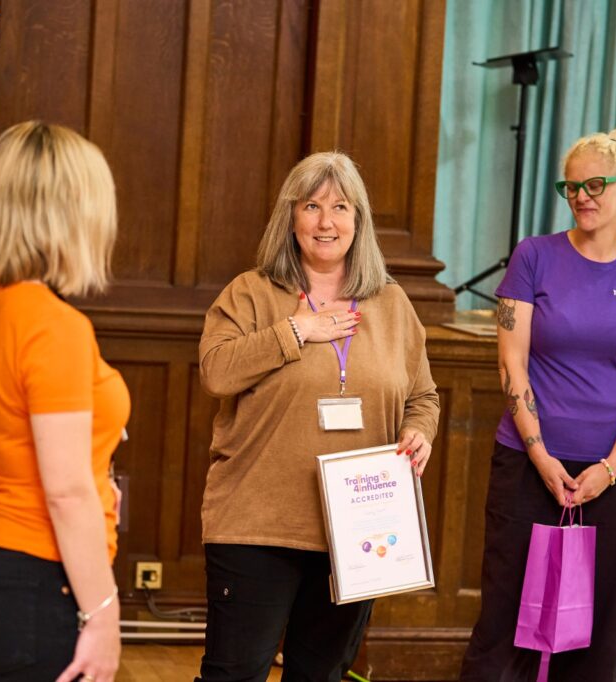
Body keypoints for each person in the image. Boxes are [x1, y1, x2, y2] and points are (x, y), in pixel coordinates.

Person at [197, 151, 440, 682]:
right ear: (291, 218)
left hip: (358, 529)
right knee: (233, 674)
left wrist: (418, 432)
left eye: (340, 207)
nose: (326, 222)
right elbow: (216, 372)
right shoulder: (252, 292)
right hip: (258, 523)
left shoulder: (392, 304)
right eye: (311, 206)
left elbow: (423, 396)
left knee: (321, 675)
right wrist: (297, 331)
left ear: (359, 221)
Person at [459, 125, 616, 681]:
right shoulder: (534, 257)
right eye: (572, 187)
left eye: (596, 184)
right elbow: (512, 365)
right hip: (529, 467)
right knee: (504, 625)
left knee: (600, 631)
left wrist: (608, 469)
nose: (583, 195)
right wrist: (540, 456)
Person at [0, 122, 127, 682]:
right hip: (34, 589)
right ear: (69, 214)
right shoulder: (54, 326)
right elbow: (65, 493)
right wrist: (105, 615)